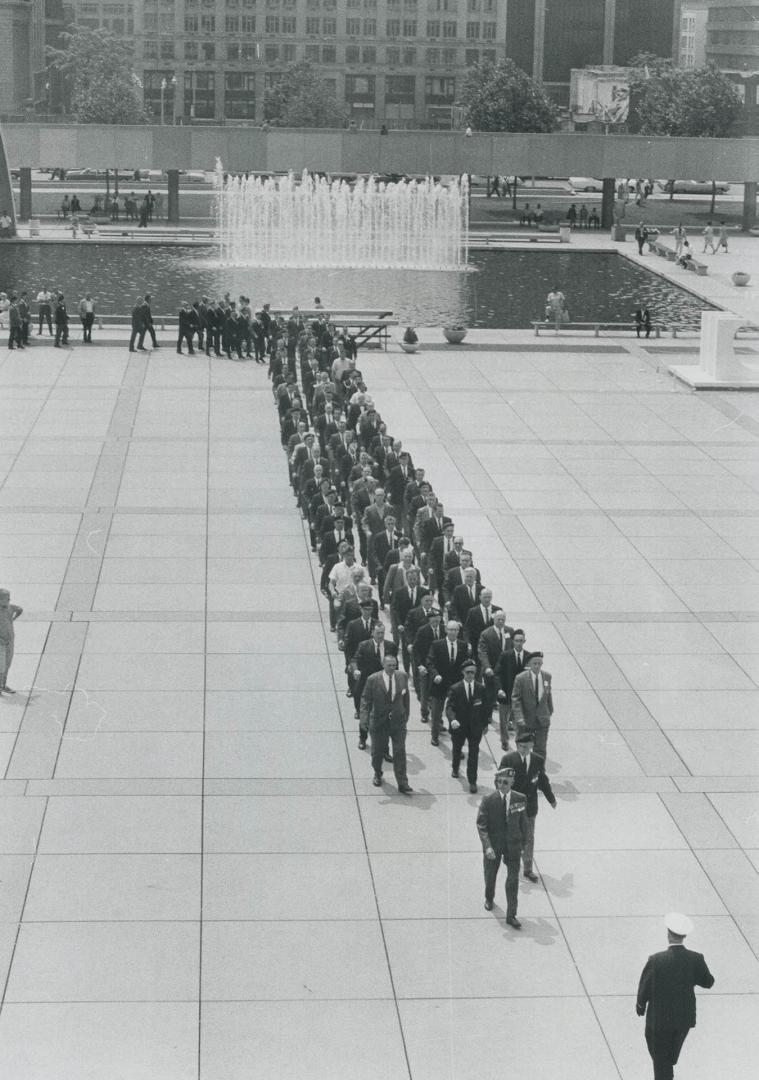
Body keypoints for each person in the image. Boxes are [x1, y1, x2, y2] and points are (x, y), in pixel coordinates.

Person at [636, 913, 714, 1080]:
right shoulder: (695, 958)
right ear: (684, 936)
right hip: (683, 1019)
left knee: (660, 1058)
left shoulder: (656, 960)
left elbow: (645, 984)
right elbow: (708, 982)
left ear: (668, 933)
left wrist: (640, 1005)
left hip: (659, 1020)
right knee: (669, 1056)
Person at [500, 730, 556, 883]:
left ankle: (528, 868)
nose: (523, 750)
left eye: (526, 747)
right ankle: (512, 865)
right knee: (512, 836)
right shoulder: (508, 759)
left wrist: (551, 798)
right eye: (520, 746)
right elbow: (501, 783)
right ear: (517, 745)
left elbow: (542, 780)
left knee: (529, 838)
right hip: (513, 806)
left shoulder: (537, 760)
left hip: (530, 806)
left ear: (532, 745)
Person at [476, 767, 527, 926]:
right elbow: (481, 825)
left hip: (513, 846)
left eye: (505, 782)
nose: (502, 785)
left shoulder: (520, 799)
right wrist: (487, 846)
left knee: (513, 881)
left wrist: (523, 845)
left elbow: (523, 824)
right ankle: (489, 897)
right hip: (494, 846)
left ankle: (511, 915)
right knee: (490, 875)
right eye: (499, 782)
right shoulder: (488, 800)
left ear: (512, 782)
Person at [360, 651, 413, 794]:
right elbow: (365, 700)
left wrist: (406, 714)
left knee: (400, 752)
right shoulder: (373, 679)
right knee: (377, 752)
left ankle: (402, 783)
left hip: (398, 722)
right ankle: (377, 773)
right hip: (379, 722)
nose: (392, 668)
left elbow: (406, 696)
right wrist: (364, 719)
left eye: (394, 665)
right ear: (383, 665)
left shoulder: (402, 676)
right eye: (389, 665)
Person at [446, 658, 488, 793]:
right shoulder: (455, 688)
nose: (470, 675)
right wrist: (452, 720)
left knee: (474, 754)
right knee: (457, 749)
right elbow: (449, 708)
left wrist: (485, 724)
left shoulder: (480, 688)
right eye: (468, 672)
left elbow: (485, 709)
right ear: (463, 672)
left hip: (475, 728)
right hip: (459, 727)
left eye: (473, 673)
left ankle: (472, 781)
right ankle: (455, 767)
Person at [511, 651, 553, 757]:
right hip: (526, 720)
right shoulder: (521, 678)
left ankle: (540, 771)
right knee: (524, 749)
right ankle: (524, 771)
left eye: (539, 663)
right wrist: (519, 718)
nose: (537, 666)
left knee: (541, 749)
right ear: (529, 664)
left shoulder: (547, 676)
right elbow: (516, 699)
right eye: (535, 663)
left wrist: (549, 710)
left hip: (542, 720)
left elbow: (548, 695)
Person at [0, 589, 23, 694]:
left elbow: (20, 609)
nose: (9, 600)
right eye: (6, 599)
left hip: (10, 640)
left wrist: (13, 618)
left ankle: (3, 685)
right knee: (1, 665)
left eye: (9, 598)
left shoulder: (9, 607)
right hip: (1, 643)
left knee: (7, 664)